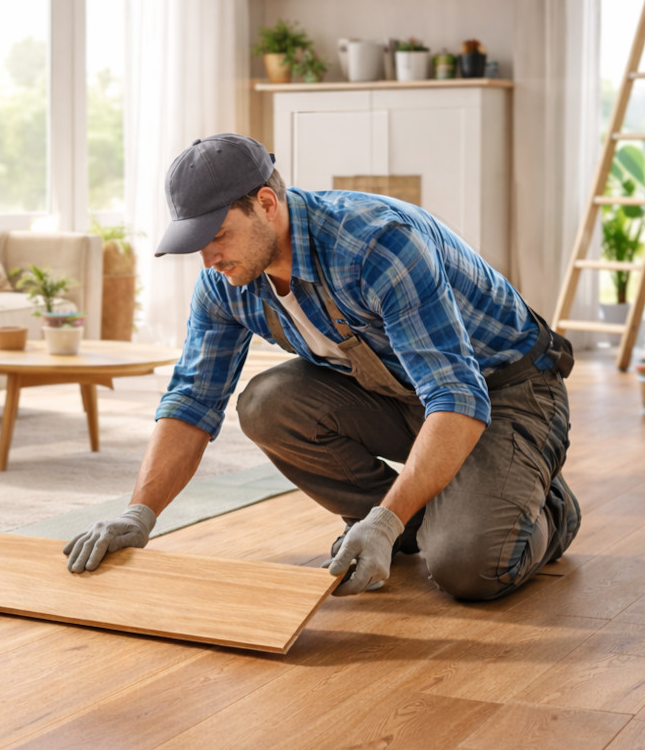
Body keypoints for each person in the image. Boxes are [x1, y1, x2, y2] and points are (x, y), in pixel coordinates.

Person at [63, 133, 579, 599]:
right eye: (196, 243)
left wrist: (383, 522)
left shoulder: (374, 245)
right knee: (267, 404)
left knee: (468, 567)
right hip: (405, 395)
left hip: (506, 388)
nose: (208, 259)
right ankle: (410, 519)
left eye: (217, 235)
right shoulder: (225, 283)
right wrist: (140, 513)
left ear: (266, 204)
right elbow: (192, 401)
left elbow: (456, 397)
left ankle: (545, 506)